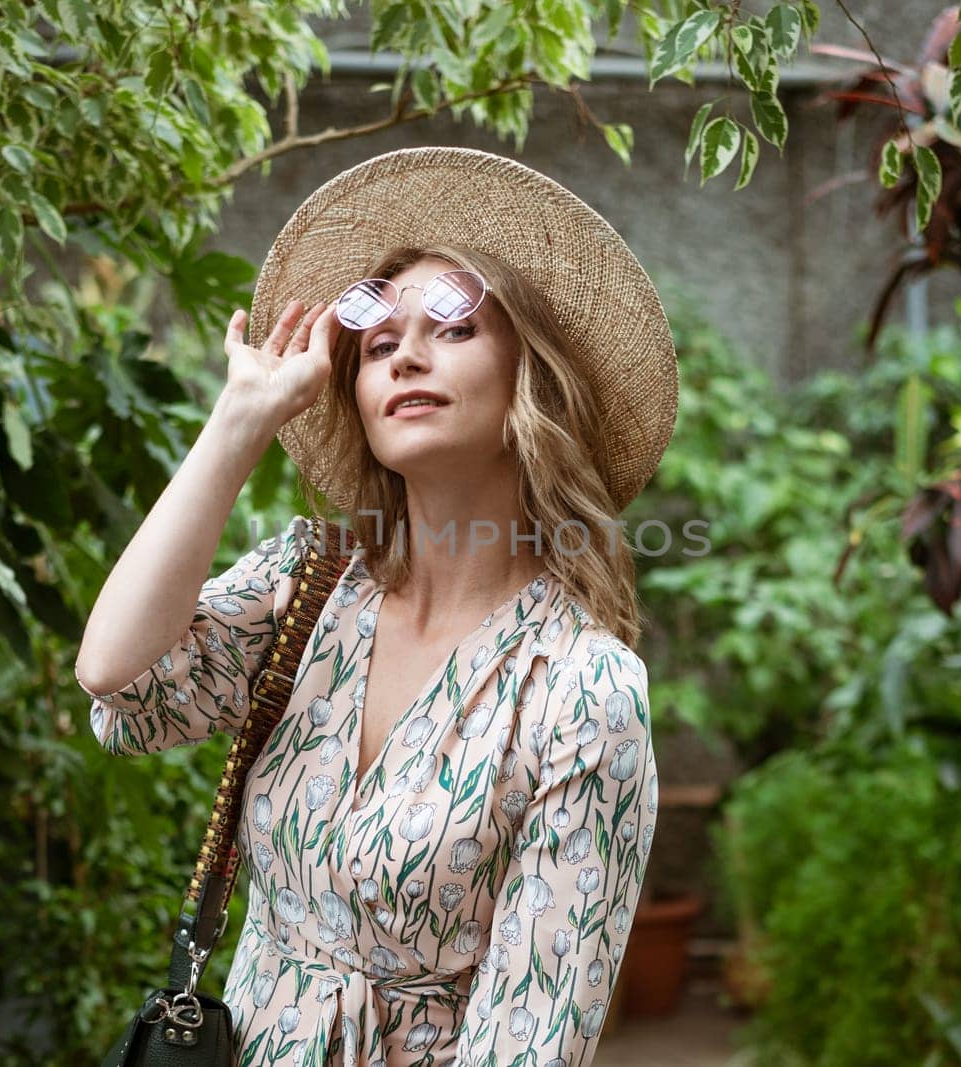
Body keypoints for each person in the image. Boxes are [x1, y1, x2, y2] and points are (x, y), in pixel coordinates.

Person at [74, 146, 679, 1067]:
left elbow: (532, 1038)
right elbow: (115, 675)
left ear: (530, 376)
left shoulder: (583, 689)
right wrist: (240, 422)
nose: (407, 356)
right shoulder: (307, 588)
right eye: (378, 343)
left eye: (453, 327)